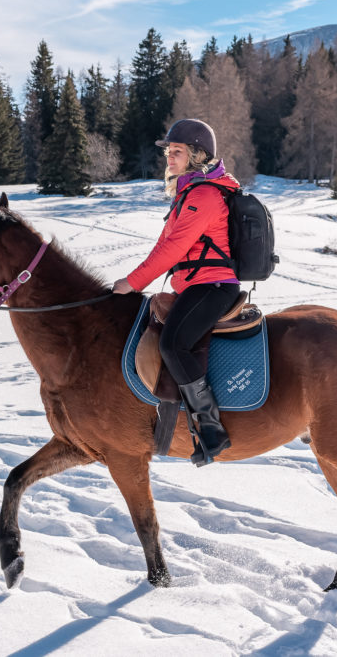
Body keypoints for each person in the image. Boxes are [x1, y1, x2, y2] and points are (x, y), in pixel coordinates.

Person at [112, 118, 241, 466]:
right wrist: (135, 280)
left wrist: (134, 282)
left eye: (177, 151)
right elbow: (164, 244)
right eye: (168, 151)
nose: (169, 157)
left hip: (213, 286)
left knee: (173, 343)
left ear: (197, 155)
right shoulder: (188, 194)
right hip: (195, 286)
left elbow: (174, 249)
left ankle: (211, 428)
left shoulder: (205, 195)